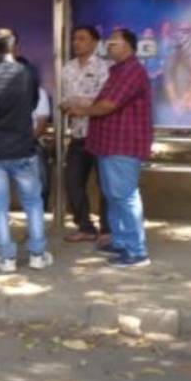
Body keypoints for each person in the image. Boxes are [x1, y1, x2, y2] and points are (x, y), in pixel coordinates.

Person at [66, 29, 154, 269]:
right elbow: (99, 102)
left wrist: (81, 110)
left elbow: (107, 105)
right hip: (107, 144)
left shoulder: (133, 71)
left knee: (125, 197)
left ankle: (136, 252)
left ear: (127, 46)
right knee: (113, 195)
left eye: (113, 43)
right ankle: (120, 241)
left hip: (123, 145)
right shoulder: (116, 71)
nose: (109, 46)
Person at [0, 28, 50, 272]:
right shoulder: (28, 73)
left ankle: (6, 258)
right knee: (33, 203)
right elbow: (33, 103)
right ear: (15, 47)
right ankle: (37, 254)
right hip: (24, 149)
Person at [59, 24, 113, 243]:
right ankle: (85, 227)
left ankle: (107, 229)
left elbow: (105, 101)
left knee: (105, 184)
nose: (76, 42)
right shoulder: (67, 68)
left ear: (94, 42)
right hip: (78, 134)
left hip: (101, 133)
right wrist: (71, 105)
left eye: (81, 38)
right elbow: (63, 100)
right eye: (74, 39)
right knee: (72, 181)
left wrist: (80, 105)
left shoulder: (106, 67)